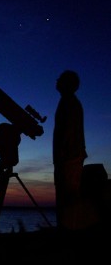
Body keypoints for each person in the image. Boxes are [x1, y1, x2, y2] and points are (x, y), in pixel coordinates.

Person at [53, 70, 87, 230]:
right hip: (69, 156)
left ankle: (69, 230)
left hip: (69, 157)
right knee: (67, 195)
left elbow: (69, 130)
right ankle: (68, 228)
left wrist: (62, 155)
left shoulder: (69, 102)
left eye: (60, 79)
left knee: (68, 196)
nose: (57, 80)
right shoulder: (69, 101)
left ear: (67, 84)